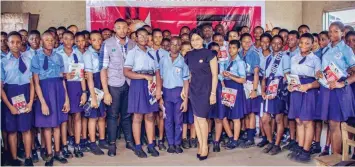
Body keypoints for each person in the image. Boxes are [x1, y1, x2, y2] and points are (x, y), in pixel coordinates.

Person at [31, 30, 70, 166]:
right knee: (47, 126)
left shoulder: (58, 57)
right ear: (41, 41)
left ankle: (58, 151)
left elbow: (62, 79)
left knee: (58, 124)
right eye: (47, 40)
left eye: (52, 40)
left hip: (58, 90)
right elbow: (36, 82)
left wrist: (66, 99)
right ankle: (49, 153)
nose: (50, 42)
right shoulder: (36, 58)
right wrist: (42, 102)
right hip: (45, 92)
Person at [317, 21, 355, 155]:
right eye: (330, 31)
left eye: (335, 31)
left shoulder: (346, 49)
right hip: (327, 88)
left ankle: (337, 157)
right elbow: (324, 68)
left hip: (339, 89)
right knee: (331, 124)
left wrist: (342, 84)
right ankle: (334, 155)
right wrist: (320, 73)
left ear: (342, 33)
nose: (332, 34)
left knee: (336, 123)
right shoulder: (326, 48)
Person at [124, 28, 162, 158]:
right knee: (138, 116)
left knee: (150, 115)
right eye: (141, 36)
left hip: (151, 84)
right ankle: (138, 146)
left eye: (146, 36)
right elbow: (126, 72)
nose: (144, 38)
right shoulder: (132, 52)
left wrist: (158, 90)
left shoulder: (152, 52)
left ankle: (151, 145)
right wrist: (143, 77)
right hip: (138, 84)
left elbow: (157, 72)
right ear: (135, 37)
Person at [101, 18, 135, 156]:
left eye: (124, 27)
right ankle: (112, 144)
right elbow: (103, 68)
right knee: (113, 115)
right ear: (114, 29)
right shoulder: (107, 44)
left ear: (128, 29)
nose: (122, 30)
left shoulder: (133, 44)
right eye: (119, 27)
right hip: (114, 85)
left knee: (127, 115)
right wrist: (106, 92)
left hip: (129, 84)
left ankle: (129, 141)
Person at [1, 31, 35, 166]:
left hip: (25, 93)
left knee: (26, 128)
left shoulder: (28, 59)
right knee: (12, 130)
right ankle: (14, 159)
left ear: (22, 43)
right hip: (10, 94)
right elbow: (0, 87)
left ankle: (28, 157)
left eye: (18, 42)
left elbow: (32, 83)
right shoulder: (3, 62)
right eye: (12, 42)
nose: (15, 45)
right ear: (7, 44)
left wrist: (31, 101)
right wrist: (10, 106)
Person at [184, 29, 218, 160]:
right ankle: (201, 143)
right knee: (196, 119)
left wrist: (213, 93)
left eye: (197, 39)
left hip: (206, 90)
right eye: (192, 40)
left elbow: (215, 75)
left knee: (202, 119)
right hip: (194, 90)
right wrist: (185, 90)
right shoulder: (188, 55)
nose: (195, 42)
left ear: (203, 40)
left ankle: (205, 146)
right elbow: (189, 75)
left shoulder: (210, 54)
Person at [287, 33, 321, 162]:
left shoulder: (315, 60)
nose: (303, 45)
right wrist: (290, 86)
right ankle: (300, 147)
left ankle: (306, 151)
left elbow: (319, 81)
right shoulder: (294, 58)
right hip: (296, 91)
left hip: (309, 91)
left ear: (312, 45)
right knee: (298, 121)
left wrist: (308, 86)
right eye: (301, 42)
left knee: (307, 121)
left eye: (307, 43)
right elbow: (292, 75)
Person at [57, 31, 87, 158]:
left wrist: (84, 92)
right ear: (62, 40)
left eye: (71, 39)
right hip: (63, 86)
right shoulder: (57, 55)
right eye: (66, 39)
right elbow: (54, 73)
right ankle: (64, 145)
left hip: (76, 87)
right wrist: (64, 75)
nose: (68, 42)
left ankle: (77, 143)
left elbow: (81, 75)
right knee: (64, 118)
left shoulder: (78, 54)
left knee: (77, 116)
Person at [261, 35, 290, 155]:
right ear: (271, 44)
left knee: (278, 119)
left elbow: (286, 75)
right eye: (274, 43)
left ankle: (277, 144)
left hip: (279, 90)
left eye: (279, 43)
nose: (276, 45)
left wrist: (277, 90)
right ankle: (270, 141)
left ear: (283, 45)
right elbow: (264, 78)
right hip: (268, 89)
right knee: (265, 119)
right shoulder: (267, 58)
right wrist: (263, 91)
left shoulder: (285, 57)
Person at [159, 37, 189, 153]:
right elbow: (160, 78)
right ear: (169, 45)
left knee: (178, 119)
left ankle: (177, 143)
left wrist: (185, 99)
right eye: (172, 44)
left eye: (177, 44)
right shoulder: (163, 59)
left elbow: (186, 80)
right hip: (166, 92)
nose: (174, 46)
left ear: (180, 46)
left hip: (179, 93)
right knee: (168, 119)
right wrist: (160, 96)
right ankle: (170, 144)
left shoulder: (183, 61)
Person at [83, 30, 108, 155]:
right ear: (89, 41)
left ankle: (102, 140)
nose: (97, 42)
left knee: (102, 115)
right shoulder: (88, 54)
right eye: (94, 40)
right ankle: (92, 142)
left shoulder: (103, 53)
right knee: (93, 117)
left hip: (102, 85)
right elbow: (90, 77)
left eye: (99, 39)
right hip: (93, 86)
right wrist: (93, 96)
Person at [223, 40, 247, 150]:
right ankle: (231, 137)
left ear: (238, 49)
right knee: (226, 115)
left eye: (233, 48)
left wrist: (230, 76)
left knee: (236, 117)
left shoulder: (240, 63)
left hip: (235, 88)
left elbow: (242, 79)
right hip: (227, 88)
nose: (231, 50)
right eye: (230, 47)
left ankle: (235, 140)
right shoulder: (227, 61)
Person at [239, 33, 261, 148]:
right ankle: (248, 134)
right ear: (241, 42)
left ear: (252, 42)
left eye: (249, 41)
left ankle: (251, 138)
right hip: (241, 83)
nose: (246, 44)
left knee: (251, 112)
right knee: (246, 112)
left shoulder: (254, 54)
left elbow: (256, 73)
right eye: (244, 41)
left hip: (251, 83)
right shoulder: (239, 54)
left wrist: (255, 89)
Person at [151, 28, 169, 150]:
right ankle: (152, 139)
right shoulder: (147, 52)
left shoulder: (166, 54)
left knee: (162, 113)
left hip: (163, 84)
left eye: (160, 37)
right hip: (149, 85)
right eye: (155, 37)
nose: (158, 39)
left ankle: (161, 139)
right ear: (151, 38)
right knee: (151, 114)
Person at [256, 33, 272, 148]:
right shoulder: (257, 54)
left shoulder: (274, 56)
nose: (265, 44)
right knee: (261, 113)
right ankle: (264, 136)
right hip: (259, 83)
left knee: (269, 114)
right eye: (263, 41)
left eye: (267, 41)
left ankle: (271, 137)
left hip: (270, 85)